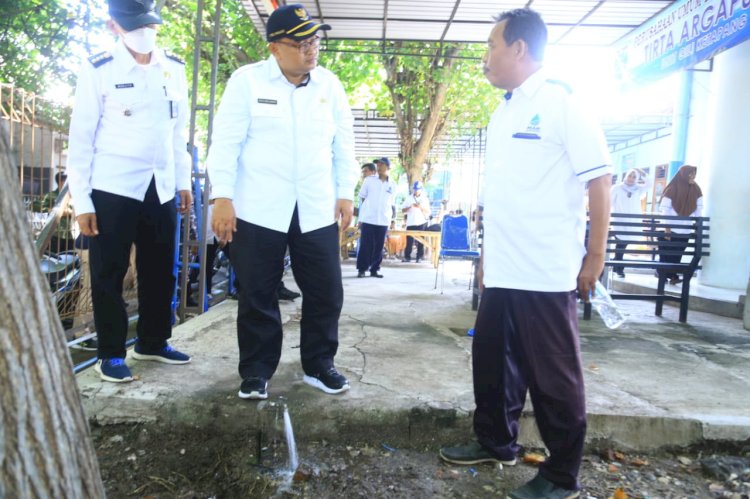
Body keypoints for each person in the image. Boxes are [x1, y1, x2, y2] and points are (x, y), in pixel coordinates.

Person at [439, 9, 612, 499]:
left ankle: (562, 475)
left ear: (519, 48)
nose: (485, 59)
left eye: (491, 46)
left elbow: (600, 181)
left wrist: (593, 256)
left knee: (552, 375)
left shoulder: (562, 104)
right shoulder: (505, 110)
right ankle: (497, 442)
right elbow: (505, 194)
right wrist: (486, 258)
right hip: (505, 268)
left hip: (547, 268)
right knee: (492, 361)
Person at [207, 4, 357, 401]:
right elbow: (225, 143)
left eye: (314, 41)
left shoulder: (330, 86)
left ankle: (319, 364)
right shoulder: (247, 82)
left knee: (326, 291)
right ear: (275, 48)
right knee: (258, 293)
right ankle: (256, 371)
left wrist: (346, 192)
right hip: (259, 208)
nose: (311, 50)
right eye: (301, 43)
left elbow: (344, 145)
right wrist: (222, 196)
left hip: (315, 206)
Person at [66, 0, 193, 383]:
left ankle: (153, 342)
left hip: (161, 185)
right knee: (109, 272)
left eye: (150, 25)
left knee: (161, 269)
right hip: (112, 187)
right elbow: (81, 139)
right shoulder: (98, 69)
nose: (145, 32)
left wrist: (182, 181)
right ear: (114, 26)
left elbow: (177, 133)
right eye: (135, 25)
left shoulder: (174, 68)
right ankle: (110, 353)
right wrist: (82, 200)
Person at [658, 165, 703, 286]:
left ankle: (672, 275)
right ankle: (664, 274)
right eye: (690, 174)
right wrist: (667, 228)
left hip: (685, 229)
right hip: (669, 228)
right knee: (666, 254)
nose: (692, 176)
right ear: (683, 174)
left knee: (678, 254)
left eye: (694, 174)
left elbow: (699, 208)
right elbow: (665, 209)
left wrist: (696, 225)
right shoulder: (672, 188)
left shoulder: (696, 189)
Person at [610, 168, 653, 278]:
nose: (631, 178)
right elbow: (609, 202)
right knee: (620, 244)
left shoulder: (638, 189)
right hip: (620, 221)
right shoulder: (617, 188)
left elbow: (649, 184)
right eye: (630, 175)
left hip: (632, 222)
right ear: (626, 176)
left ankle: (616, 265)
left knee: (623, 244)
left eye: (634, 177)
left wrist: (641, 172)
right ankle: (619, 268)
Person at [356, 159, 395, 278]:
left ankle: (374, 269)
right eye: (377, 164)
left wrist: (391, 221)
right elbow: (362, 198)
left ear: (388, 167)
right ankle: (362, 269)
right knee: (365, 245)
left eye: (381, 164)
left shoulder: (393, 185)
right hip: (368, 218)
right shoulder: (369, 181)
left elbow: (391, 203)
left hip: (383, 220)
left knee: (379, 246)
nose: (378, 166)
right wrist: (361, 218)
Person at [401, 181, 430, 263]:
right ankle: (407, 257)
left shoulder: (425, 199)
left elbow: (428, 211)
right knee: (409, 241)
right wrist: (410, 207)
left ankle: (419, 257)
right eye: (415, 189)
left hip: (421, 222)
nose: (416, 191)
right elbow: (403, 210)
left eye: (418, 189)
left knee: (421, 241)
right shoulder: (408, 198)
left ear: (421, 190)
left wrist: (420, 207)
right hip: (411, 222)